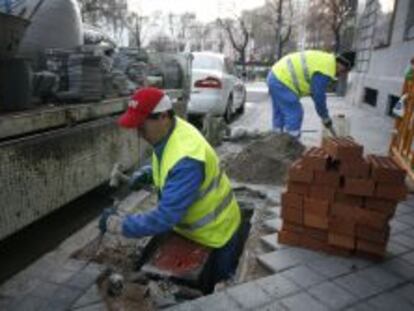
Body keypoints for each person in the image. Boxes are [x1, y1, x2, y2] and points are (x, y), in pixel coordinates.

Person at [99, 87, 243, 287]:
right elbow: (167, 164)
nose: (139, 134)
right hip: (197, 226)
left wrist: (117, 224)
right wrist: (148, 174)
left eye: (142, 126)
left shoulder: (186, 158)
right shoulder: (172, 130)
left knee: (219, 289)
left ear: (163, 117)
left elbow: (165, 218)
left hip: (216, 232)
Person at [267, 50, 356, 138]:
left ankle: (276, 139)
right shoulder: (326, 69)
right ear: (342, 64)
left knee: (280, 112)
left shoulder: (326, 61)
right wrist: (325, 116)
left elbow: (315, 93)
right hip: (282, 79)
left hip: (275, 75)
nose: (342, 74)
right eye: (345, 71)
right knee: (295, 112)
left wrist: (323, 115)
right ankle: (292, 143)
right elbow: (318, 95)